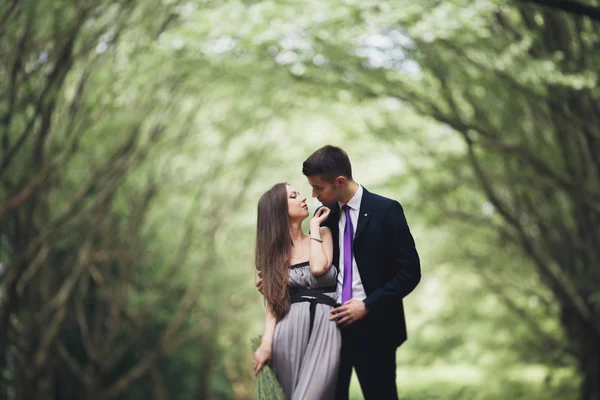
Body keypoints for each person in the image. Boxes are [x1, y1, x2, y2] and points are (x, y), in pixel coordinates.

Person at [257, 145, 421, 399]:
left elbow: (410, 272)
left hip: (375, 327)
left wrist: (367, 304)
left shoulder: (386, 211)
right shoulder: (325, 217)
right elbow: (307, 264)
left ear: (340, 181)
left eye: (318, 188)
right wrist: (278, 279)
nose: (313, 195)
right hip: (330, 328)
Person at [252, 183, 341, 400]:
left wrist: (314, 226)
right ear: (280, 210)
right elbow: (274, 305)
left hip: (327, 326)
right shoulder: (273, 256)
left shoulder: (323, 233)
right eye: (293, 196)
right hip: (287, 333)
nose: (303, 198)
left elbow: (318, 267)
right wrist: (266, 343)